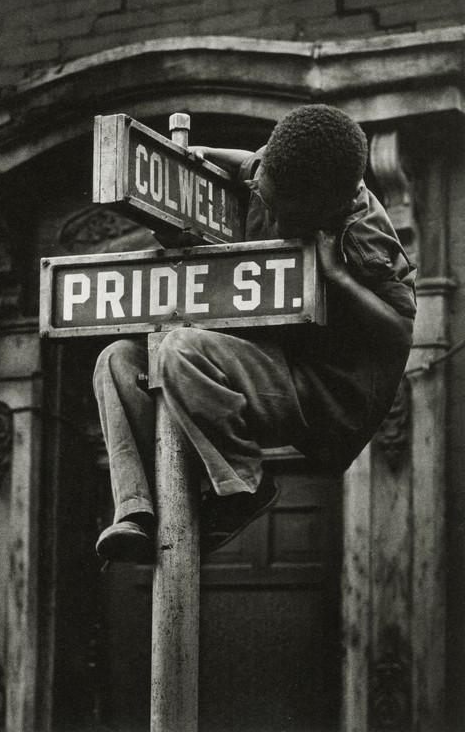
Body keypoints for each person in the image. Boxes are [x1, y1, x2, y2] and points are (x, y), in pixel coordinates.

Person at [93, 104, 416, 563]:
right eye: (271, 204)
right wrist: (190, 162)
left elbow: (400, 331)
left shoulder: (363, 235)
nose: (279, 226)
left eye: (292, 218)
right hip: (276, 351)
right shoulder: (282, 167)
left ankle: (244, 488)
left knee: (182, 350)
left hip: (325, 393)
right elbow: (249, 164)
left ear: (331, 207)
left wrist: (338, 277)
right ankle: (137, 513)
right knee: (118, 360)